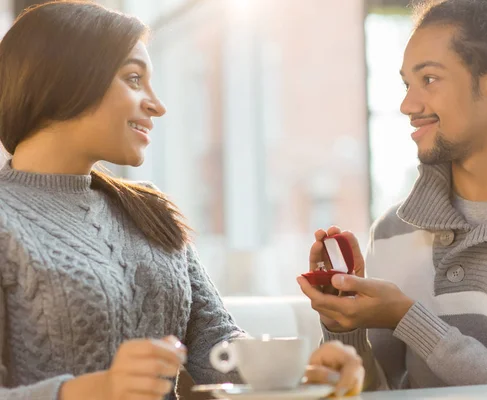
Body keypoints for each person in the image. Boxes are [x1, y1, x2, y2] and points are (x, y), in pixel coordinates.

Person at [0, 2, 364, 400]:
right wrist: (90, 390)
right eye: (134, 78)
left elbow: (217, 348)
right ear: (64, 78)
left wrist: (300, 374)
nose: (157, 104)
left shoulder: (150, 212)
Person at [298, 0, 487, 392]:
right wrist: (347, 325)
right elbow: (379, 390)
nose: (408, 105)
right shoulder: (393, 232)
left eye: (429, 80)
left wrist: (409, 318)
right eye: (407, 84)